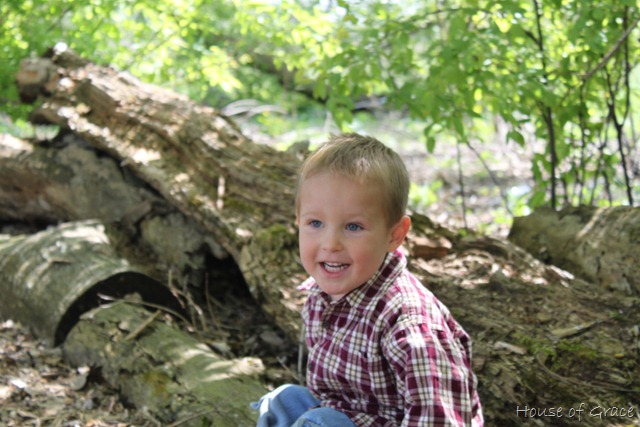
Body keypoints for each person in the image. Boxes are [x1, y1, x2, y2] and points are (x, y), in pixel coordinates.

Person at [253, 133, 483, 427]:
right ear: (298, 220)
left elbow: (440, 418)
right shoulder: (323, 295)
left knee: (318, 422)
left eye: (353, 226)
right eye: (315, 223)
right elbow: (336, 397)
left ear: (394, 235)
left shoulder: (410, 324)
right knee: (282, 400)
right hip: (352, 416)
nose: (330, 243)